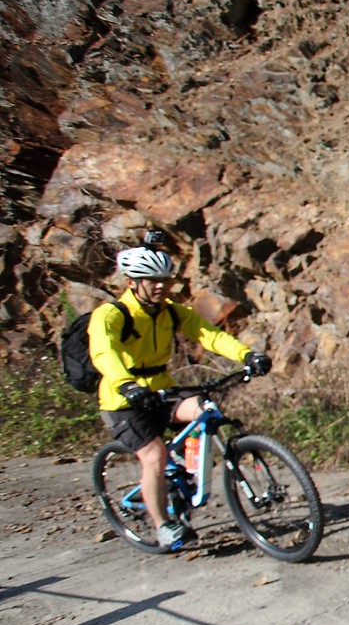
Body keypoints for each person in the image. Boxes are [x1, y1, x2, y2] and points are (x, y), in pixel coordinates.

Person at [90, 235, 271, 551]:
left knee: (204, 410)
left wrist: (246, 355)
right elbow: (104, 352)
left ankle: (181, 472)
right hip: (123, 400)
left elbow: (209, 335)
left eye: (165, 279)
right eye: (152, 280)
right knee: (154, 456)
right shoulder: (111, 315)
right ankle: (164, 526)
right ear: (132, 282)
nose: (161, 286)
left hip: (160, 390)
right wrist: (127, 384)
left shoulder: (171, 312)